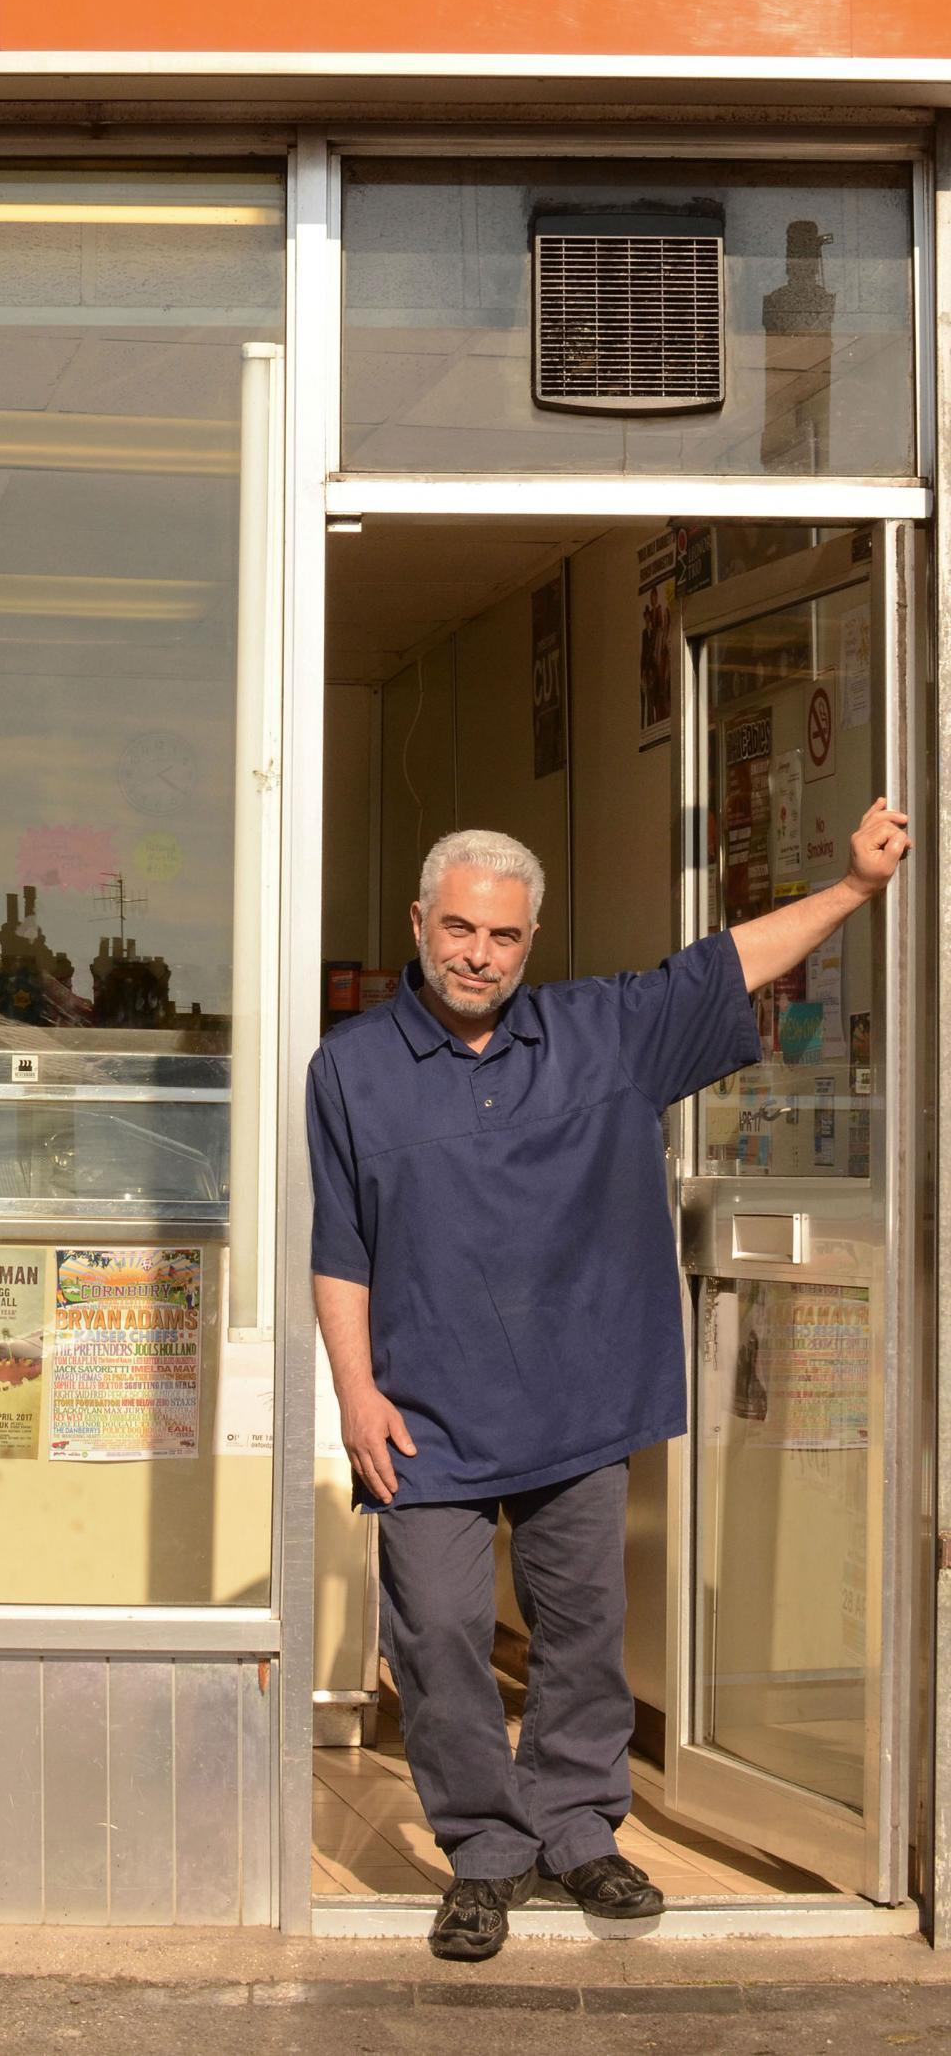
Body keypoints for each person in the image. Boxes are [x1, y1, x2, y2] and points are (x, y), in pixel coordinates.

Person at [309, 802, 909, 1963]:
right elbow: (342, 1246)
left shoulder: (603, 1032)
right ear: (420, 922)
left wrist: (853, 890)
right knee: (436, 1633)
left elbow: (728, 962)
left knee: (582, 1634)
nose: (479, 954)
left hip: (582, 1398)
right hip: (421, 1410)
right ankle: (486, 1851)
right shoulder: (351, 1069)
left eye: (506, 937)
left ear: (532, 940)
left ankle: (578, 1833)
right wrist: (355, 1393)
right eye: (461, 929)